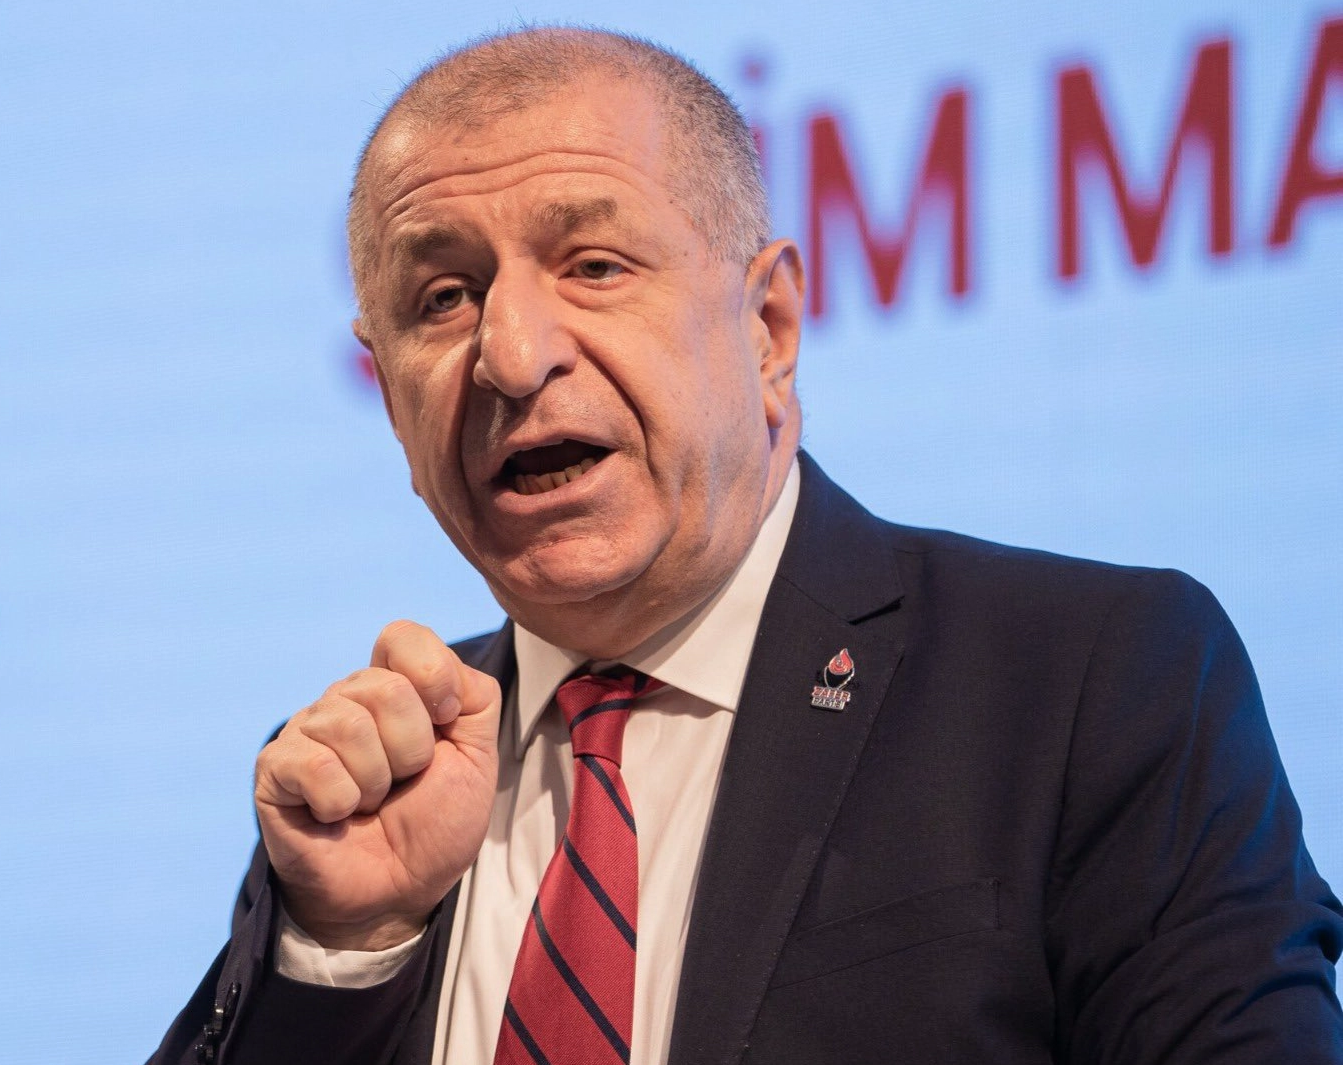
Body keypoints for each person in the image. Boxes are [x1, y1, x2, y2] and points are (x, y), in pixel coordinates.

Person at [150, 27, 1343, 1065]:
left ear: (768, 328)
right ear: (388, 398)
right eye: (442, 298)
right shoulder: (366, 788)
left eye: (593, 266)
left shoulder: (1086, 680)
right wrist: (343, 951)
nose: (510, 355)